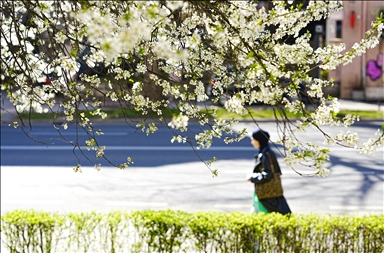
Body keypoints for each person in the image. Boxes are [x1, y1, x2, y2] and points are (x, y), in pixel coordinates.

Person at [246, 129, 291, 215]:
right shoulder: (267, 152)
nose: (252, 142)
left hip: (268, 193)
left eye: (253, 139)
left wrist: (252, 177)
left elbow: (267, 174)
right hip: (272, 192)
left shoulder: (265, 155)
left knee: (273, 215)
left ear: (259, 141)